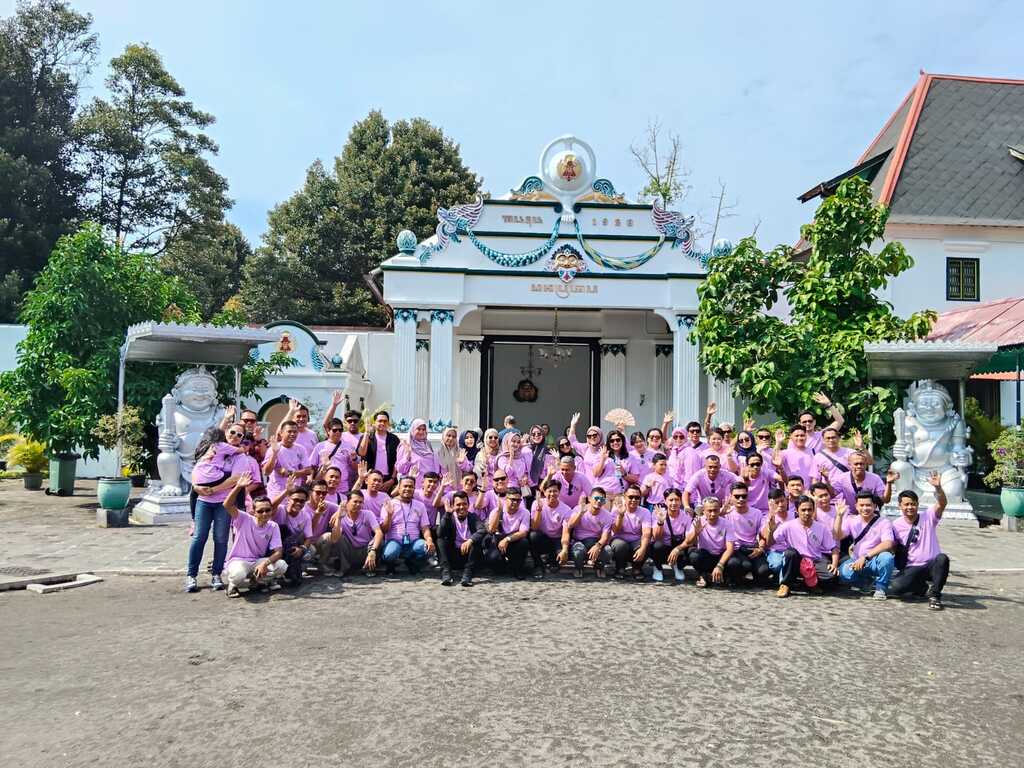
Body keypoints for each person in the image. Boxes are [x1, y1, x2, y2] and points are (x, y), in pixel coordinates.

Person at [185, 426, 246, 593]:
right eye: (232, 432)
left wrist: (212, 489)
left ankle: (216, 574)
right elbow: (197, 468)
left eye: (239, 434)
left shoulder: (240, 457)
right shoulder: (212, 447)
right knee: (199, 537)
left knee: (220, 539)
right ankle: (191, 575)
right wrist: (196, 486)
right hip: (203, 501)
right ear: (225, 433)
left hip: (224, 503)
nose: (235, 436)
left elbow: (235, 479)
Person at [889, 473, 949, 610]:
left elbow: (942, 503)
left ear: (917, 504)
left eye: (913, 504)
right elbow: (891, 546)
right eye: (906, 504)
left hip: (931, 566)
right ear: (900, 506)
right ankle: (921, 587)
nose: (910, 507)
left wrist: (938, 488)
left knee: (942, 559)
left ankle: (935, 596)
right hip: (912, 567)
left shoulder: (928, 516)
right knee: (896, 587)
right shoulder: (895, 525)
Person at [221, 474, 287, 597]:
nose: (264, 513)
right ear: (254, 512)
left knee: (281, 566)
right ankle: (232, 585)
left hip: (257, 561)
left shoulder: (273, 526)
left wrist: (264, 564)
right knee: (238, 575)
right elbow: (227, 505)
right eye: (260, 511)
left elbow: (278, 552)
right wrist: (238, 487)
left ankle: (257, 581)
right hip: (239, 561)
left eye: (267, 510)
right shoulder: (244, 518)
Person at [765, 494, 840, 598]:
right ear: (797, 510)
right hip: (796, 560)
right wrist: (771, 530)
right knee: (790, 553)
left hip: (815, 560)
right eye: (803, 510)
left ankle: (808, 583)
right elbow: (770, 543)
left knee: (831, 577)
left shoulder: (821, 528)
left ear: (813, 510)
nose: (807, 513)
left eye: (809, 510)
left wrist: (834, 565)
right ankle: (785, 585)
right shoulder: (788, 526)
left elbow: (834, 548)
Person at [834, 492, 896, 599]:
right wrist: (839, 516)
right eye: (861, 505)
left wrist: (866, 557)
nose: (865, 508)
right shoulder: (851, 520)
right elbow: (837, 536)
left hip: (875, 560)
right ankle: (865, 582)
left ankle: (881, 588)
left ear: (875, 506)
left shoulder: (884, 522)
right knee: (843, 574)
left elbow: (888, 543)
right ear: (856, 506)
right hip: (856, 560)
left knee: (887, 557)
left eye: (868, 505)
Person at [379, 476, 435, 575]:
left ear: (414, 488)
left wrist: (429, 539)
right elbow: (384, 530)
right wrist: (389, 515)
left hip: (413, 542)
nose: (408, 489)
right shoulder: (389, 504)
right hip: (394, 542)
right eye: (405, 486)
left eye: (410, 486)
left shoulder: (420, 505)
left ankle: (412, 562)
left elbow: (425, 527)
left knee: (426, 548)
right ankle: (391, 564)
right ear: (399, 488)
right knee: (389, 554)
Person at [321, 490, 382, 577]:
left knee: (378, 540)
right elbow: (334, 539)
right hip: (350, 551)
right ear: (347, 502)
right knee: (339, 538)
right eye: (355, 502)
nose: (358, 504)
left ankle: (369, 567)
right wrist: (339, 518)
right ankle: (344, 568)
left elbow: (379, 532)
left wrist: (373, 550)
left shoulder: (368, 514)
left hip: (366, 551)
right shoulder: (341, 516)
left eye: (360, 502)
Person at [559, 488, 613, 578]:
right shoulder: (578, 508)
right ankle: (578, 568)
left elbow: (605, 536)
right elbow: (570, 525)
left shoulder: (607, 515)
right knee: (578, 551)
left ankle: (599, 567)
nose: (599, 501)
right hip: (579, 540)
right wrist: (580, 513)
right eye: (596, 498)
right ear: (590, 498)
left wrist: (598, 546)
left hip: (596, 541)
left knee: (608, 550)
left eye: (602, 499)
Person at [436, 491, 484, 587]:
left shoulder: (473, 517)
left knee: (476, 541)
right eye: (458, 505)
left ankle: (467, 575)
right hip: (453, 555)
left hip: (469, 556)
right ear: (453, 506)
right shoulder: (449, 517)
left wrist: (470, 540)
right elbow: (439, 533)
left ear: (468, 505)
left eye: (464, 504)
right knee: (440, 541)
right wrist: (447, 514)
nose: (461, 507)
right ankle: (446, 573)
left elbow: (482, 530)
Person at [603, 486, 652, 579]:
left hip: (636, 540)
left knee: (646, 544)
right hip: (619, 539)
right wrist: (621, 515)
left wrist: (643, 548)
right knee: (620, 545)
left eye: (637, 497)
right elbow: (615, 530)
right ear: (625, 497)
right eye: (631, 497)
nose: (634, 500)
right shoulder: (616, 509)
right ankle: (620, 568)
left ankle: (637, 568)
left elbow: (646, 533)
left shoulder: (645, 512)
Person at [723, 481, 767, 586]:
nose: (741, 499)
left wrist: (760, 548)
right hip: (735, 549)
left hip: (752, 548)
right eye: (737, 496)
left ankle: (750, 577)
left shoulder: (757, 513)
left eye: (744, 496)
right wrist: (721, 514)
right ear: (731, 497)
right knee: (740, 565)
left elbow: (762, 535)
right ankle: (732, 577)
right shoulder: (726, 513)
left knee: (764, 570)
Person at [684, 497, 733, 588]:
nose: (713, 514)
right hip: (706, 555)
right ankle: (703, 575)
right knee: (694, 555)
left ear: (719, 510)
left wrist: (720, 565)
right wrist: (696, 533)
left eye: (715, 510)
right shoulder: (698, 521)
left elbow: (730, 549)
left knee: (735, 563)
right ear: (703, 511)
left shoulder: (727, 523)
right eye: (710, 511)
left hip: (721, 556)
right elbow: (688, 541)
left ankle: (722, 576)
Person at [528, 481, 573, 578]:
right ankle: (538, 565)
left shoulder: (566, 509)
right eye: (550, 491)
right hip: (543, 537)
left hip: (557, 539)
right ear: (544, 492)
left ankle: (552, 560)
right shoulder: (536, 503)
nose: (552, 494)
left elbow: (566, 532)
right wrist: (539, 511)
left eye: (555, 491)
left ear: (559, 492)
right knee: (532, 536)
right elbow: (534, 527)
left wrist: (564, 549)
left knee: (562, 556)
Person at [485, 486, 530, 578]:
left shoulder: (525, 512)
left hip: (514, 540)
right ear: (506, 499)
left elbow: (523, 532)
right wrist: (499, 512)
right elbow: (491, 530)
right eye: (513, 500)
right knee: (493, 560)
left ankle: (518, 568)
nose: (515, 502)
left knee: (524, 542)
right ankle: (504, 565)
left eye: (518, 500)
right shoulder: (496, 511)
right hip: (498, 541)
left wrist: (507, 539)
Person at [650, 488, 692, 583]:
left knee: (690, 550)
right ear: (665, 501)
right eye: (671, 500)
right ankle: (657, 567)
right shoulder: (658, 513)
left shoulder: (686, 516)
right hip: (663, 546)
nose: (674, 503)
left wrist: (678, 549)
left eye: (677, 500)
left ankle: (678, 566)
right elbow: (656, 537)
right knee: (657, 546)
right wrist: (660, 522)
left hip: (678, 547)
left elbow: (689, 539)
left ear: (681, 501)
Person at [262, 420, 312, 499]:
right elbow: (266, 472)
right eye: (289, 431)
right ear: (281, 433)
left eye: (295, 432)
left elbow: (308, 470)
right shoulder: (273, 449)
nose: (292, 434)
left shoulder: (301, 449)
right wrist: (275, 453)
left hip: (294, 494)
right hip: (277, 493)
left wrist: (290, 473)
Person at [757, 488, 793, 585]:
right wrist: (771, 519)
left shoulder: (794, 515)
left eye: (782, 501)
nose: (780, 504)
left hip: (792, 551)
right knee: (777, 565)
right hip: (775, 551)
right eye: (777, 502)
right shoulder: (766, 518)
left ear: (786, 500)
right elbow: (767, 542)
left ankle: (783, 582)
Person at [357, 411, 400, 491]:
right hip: (370, 478)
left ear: (388, 423)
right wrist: (367, 433)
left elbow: (398, 461)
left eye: (385, 421)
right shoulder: (367, 437)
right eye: (380, 421)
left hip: (388, 480)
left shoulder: (394, 439)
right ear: (375, 423)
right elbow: (361, 453)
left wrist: (392, 479)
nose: (382, 423)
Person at [590, 429, 638, 497]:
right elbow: (595, 474)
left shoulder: (630, 457)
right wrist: (602, 459)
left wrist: (624, 473)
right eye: (612, 441)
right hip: (602, 493)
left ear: (622, 441)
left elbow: (635, 478)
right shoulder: (601, 454)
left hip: (620, 494)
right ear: (608, 443)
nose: (615, 442)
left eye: (618, 440)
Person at [396, 419, 442, 485]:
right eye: (418, 429)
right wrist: (407, 456)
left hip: (430, 486)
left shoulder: (428, 445)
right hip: (414, 486)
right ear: (412, 430)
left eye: (423, 429)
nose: (421, 432)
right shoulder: (406, 445)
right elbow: (400, 469)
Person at [312, 418, 352, 490]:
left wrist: (354, 459)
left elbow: (354, 466)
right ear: (328, 431)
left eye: (340, 430)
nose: (338, 432)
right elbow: (312, 466)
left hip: (342, 487)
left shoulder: (348, 446)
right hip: (323, 487)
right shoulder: (320, 446)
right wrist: (311, 478)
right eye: (335, 430)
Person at [522, 424, 553, 491]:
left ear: (543, 435)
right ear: (530, 436)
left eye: (539, 434)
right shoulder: (525, 450)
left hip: (544, 485)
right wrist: (524, 475)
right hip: (528, 485)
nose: (536, 436)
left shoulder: (548, 452)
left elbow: (550, 470)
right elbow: (522, 468)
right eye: (533, 434)